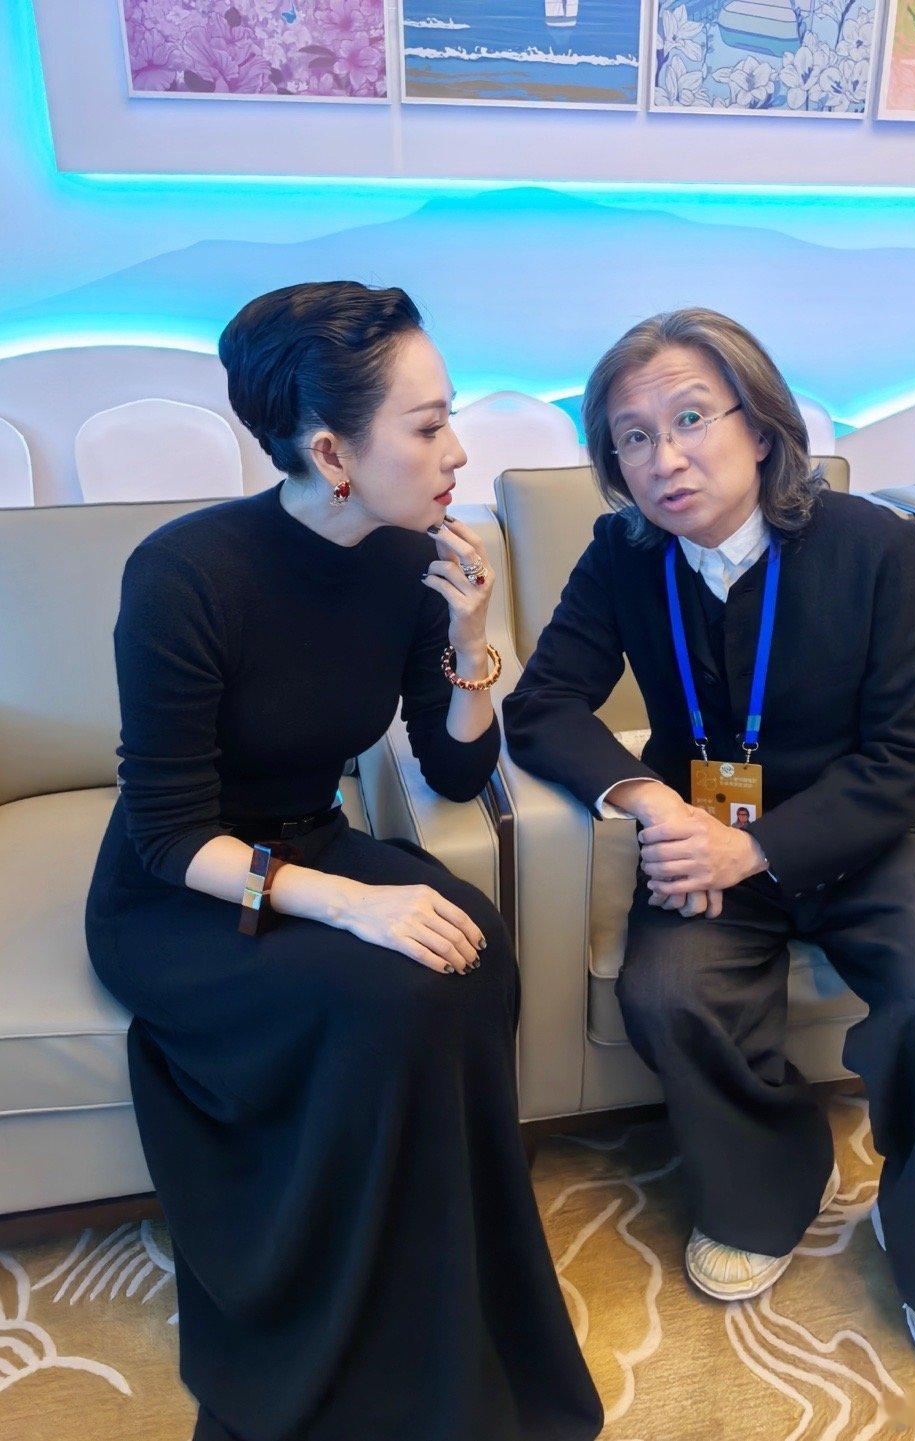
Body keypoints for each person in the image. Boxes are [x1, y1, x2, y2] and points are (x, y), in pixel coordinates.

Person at [85, 281, 603, 1441]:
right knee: (389, 991)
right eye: (428, 425)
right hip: (181, 892)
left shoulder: (407, 560)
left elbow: (455, 770)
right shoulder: (184, 574)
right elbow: (167, 835)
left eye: (449, 415)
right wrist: (355, 907)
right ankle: (341, 1306)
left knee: (474, 945)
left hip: (308, 838)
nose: (458, 450)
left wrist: (469, 641)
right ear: (330, 451)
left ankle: (450, 1276)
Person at [503, 308, 915, 1405]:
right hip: (698, 831)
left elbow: (907, 756)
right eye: (633, 436)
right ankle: (776, 1181)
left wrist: (756, 851)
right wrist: (651, 801)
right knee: (666, 991)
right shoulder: (623, 554)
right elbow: (543, 703)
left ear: (759, 423)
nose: (664, 457)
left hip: (863, 834)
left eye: (690, 418)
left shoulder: (873, 545)